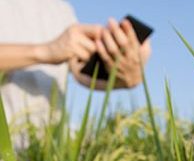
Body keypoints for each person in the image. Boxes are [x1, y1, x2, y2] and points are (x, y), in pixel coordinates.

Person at [0, 0, 151, 129]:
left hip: (44, 151)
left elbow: (81, 73)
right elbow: (55, 50)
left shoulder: (61, 10)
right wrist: (45, 51)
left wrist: (123, 76)